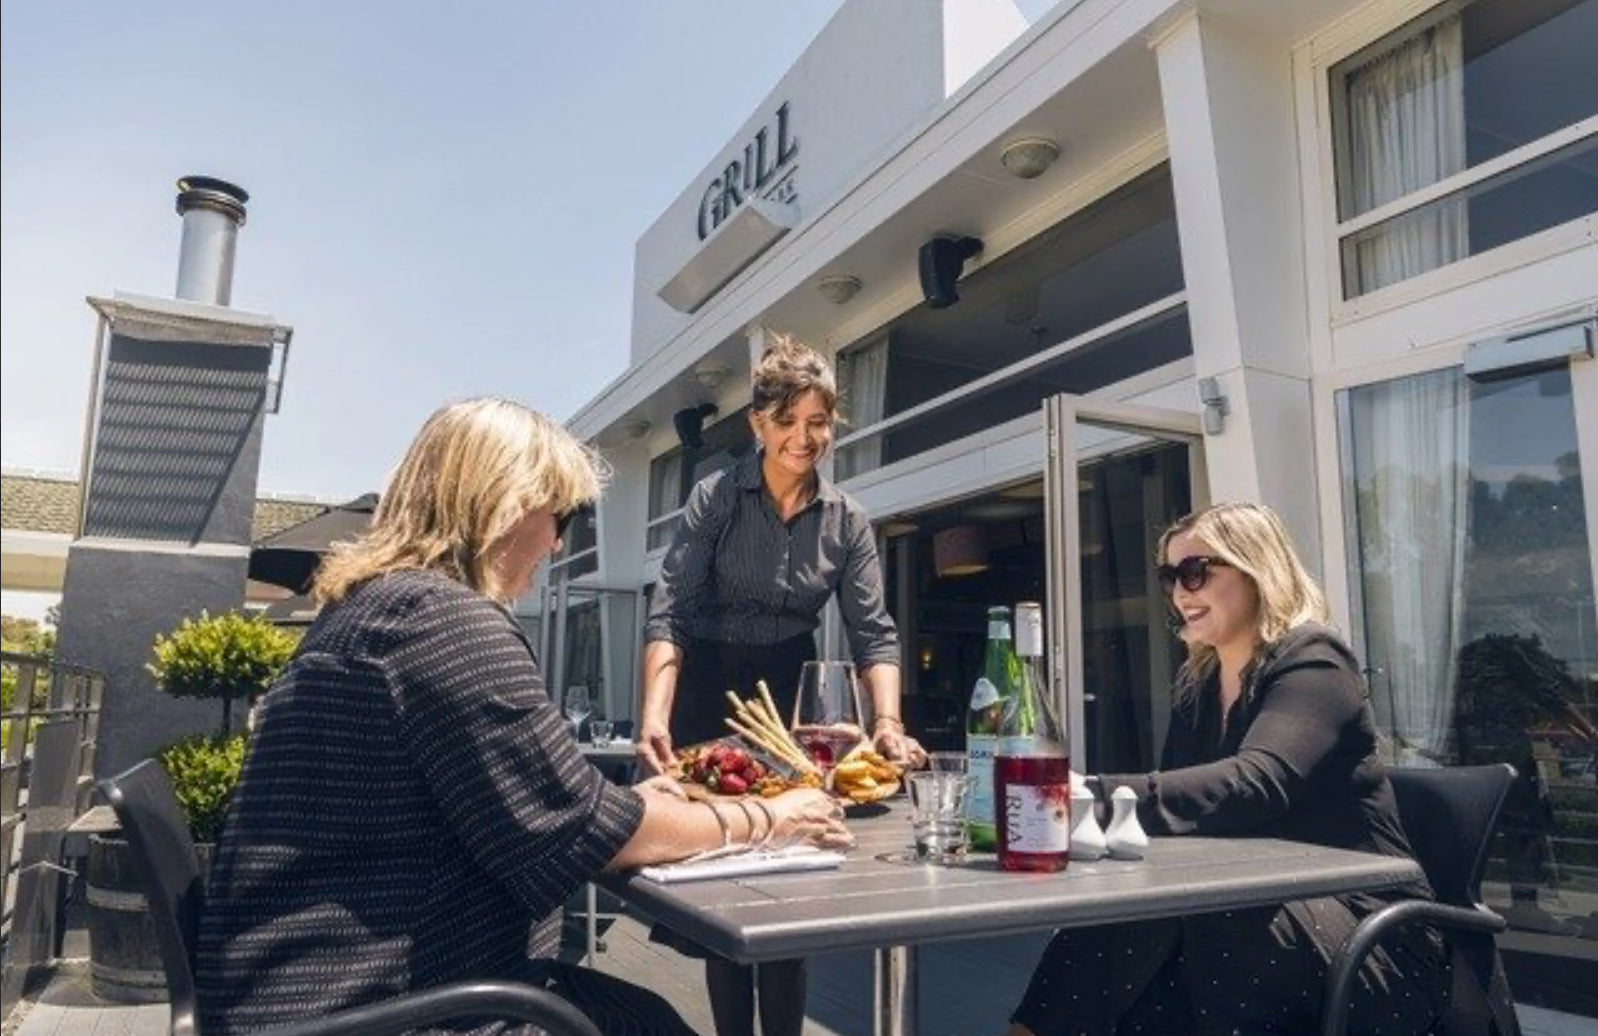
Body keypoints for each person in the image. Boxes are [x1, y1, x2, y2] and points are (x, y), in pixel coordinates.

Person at [196, 398, 852, 1036]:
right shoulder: (444, 623)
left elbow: (545, 807)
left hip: (318, 998)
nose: (558, 540)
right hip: (398, 1008)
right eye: (558, 514)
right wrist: (769, 816)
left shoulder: (369, 611)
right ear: (506, 505)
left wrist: (619, 804)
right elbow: (587, 833)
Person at [1007, 502, 1451, 1036]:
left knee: (1215, 918)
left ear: (1256, 568)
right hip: (1260, 902)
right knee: (1113, 915)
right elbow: (1183, 819)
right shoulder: (1198, 686)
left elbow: (1256, 783)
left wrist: (1093, 794)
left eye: (1195, 572)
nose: (1179, 592)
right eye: (1170, 576)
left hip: (1371, 929)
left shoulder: (1315, 661)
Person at [637, 335, 924, 1036]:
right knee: (729, 882)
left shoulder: (846, 519)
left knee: (794, 881)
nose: (805, 438)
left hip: (792, 699)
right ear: (758, 425)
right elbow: (670, 608)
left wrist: (886, 720)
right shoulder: (716, 497)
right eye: (788, 421)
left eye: (818, 421)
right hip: (709, 689)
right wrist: (655, 713)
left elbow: (874, 633)